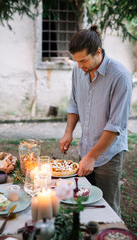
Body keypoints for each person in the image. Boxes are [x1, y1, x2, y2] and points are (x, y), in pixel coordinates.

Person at [60, 25, 132, 216]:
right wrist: (69, 132)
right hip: (85, 150)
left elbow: (115, 126)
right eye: (76, 61)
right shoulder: (79, 70)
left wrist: (92, 156)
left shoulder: (120, 77)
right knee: (83, 203)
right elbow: (74, 104)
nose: (80, 66)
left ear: (98, 52)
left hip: (108, 155)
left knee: (107, 209)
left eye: (83, 60)